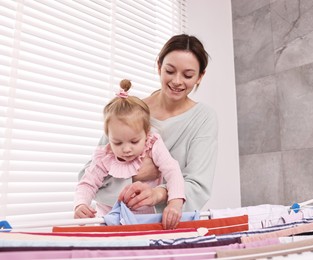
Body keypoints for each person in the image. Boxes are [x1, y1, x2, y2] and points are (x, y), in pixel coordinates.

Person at [79, 34, 218, 220]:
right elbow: (89, 176)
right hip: (118, 220)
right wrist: (134, 176)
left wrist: (158, 194)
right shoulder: (132, 111)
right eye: (170, 71)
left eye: (188, 75)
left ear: (200, 76)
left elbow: (197, 185)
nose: (177, 81)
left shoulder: (204, 118)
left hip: (168, 222)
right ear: (159, 66)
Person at [74, 79, 185, 230]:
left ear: (146, 133)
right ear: (108, 137)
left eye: (134, 141)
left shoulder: (152, 144)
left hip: (145, 220)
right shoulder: (105, 155)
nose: (126, 149)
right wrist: (81, 204)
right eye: (118, 143)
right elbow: (87, 183)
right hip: (109, 220)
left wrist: (175, 203)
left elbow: (172, 170)